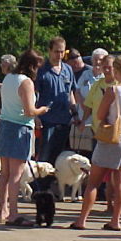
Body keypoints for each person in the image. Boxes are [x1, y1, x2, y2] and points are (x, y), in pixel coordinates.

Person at [71, 55, 121, 231]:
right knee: (120, 181)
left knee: (94, 182)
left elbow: (100, 115)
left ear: (117, 70)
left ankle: (82, 220)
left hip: (112, 138)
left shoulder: (113, 91)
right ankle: (116, 220)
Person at [0, 50, 49, 225]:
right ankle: (14, 214)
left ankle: (2, 210)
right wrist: (42, 110)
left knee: (5, 173)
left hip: (4, 126)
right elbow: (29, 111)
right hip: (20, 129)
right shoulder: (26, 82)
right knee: (16, 175)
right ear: (32, 66)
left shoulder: (9, 78)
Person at [36, 36, 78, 165]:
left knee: (59, 156)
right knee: (44, 155)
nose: (59, 55)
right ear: (49, 51)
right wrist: (35, 116)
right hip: (46, 120)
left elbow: (70, 92)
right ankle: (39, 184)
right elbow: (35, 94)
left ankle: (52, 182)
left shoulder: (68, 69)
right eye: (56, 51)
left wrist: (75, 112)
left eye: (62, 52)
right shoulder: (41, 70)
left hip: (64, 119)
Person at [76, 48, 108, 121]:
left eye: (100, 59)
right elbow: (77, 91)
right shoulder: (85, 74)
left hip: (98, 120)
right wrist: (83, 105)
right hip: (83, 118)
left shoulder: (106, 77)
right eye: (95, 59)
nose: (97, 62)